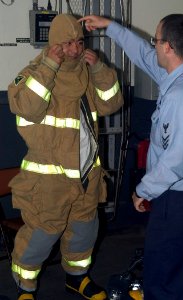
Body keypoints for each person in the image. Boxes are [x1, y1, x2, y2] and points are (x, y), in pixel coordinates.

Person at [79, 14, 183, 299]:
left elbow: (173, 164)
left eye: (156, 40)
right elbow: (142, 54)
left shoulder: (181, 96)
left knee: (163, 273)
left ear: (168, 47)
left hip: (177, 199)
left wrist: (143, 190)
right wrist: (110, 27)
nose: (153, 45)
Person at [8, 14, 123, 300]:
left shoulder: (86, 72)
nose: (74, 49)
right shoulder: (36, 71)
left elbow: (111, 103)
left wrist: (98, 68)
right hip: (49, 180)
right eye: (68, 43)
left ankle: (77, 279)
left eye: (79, 42)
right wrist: (49, 65)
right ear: (55, 44)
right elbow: (27, 107)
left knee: (85, 232)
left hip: (86, 177)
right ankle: (25, 288)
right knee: (40, 237)